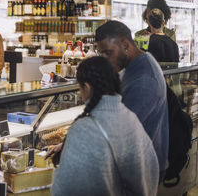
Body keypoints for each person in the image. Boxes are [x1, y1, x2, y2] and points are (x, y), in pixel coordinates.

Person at [51, 56, 159, 196]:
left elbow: (65, 188)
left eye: (80, 87)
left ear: (87, 87)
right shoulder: (130, 118)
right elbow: (151, 169)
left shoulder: (84, 129)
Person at [95, 20, 169, 181]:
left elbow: (121, 131)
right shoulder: (135, 64)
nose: (105, 59)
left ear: (125, 45)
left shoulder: (144, 80)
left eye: (108, 53)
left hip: (142, 170)